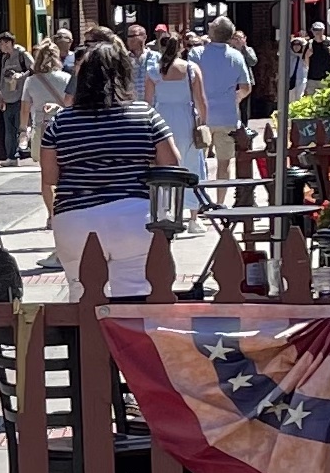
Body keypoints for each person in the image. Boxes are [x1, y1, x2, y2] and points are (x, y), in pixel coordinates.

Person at [40, 38, 180, 298]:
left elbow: (50, 177)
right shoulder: (145, 114)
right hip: (134, 215)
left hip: (74, 216)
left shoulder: (61, 121)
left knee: (83, 295)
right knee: (136, 293)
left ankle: (87, 339)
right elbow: (172, 162)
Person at [193, 16, 258, 199]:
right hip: (227, 115)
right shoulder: (236, 55)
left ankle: (201, 202)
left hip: (202, 115)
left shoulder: (197, 54)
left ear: (212, 31)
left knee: (200, 162)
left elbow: (190, 82)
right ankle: (220, 202)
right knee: (224, 162)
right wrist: (234, 100)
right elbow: (246, 87)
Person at [148, 24, 206, 186]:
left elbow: (148, 103)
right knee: (191, 161)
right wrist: (203, 122)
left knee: (164, 162)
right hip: (186, 116)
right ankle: (193, 206)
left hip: (161, 118)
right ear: (181, 47)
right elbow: (201, 100)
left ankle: (166, 204)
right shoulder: (191, 69)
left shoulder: (154, 71)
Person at [19, 35, 73, 160]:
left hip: (40, 127)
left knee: (44, 166)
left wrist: (23, 130)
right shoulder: (66, 78)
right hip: (63, 127)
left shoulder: (30, 81)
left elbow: (25, 109)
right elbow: (72, 103)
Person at [0, 31, 30, 162]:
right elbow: (2, 78)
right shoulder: (4, 58)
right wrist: (0, 96)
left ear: (9, 43)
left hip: (21, 97)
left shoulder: (22, 55)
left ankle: (22, 151)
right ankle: (11, 156)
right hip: (8, 98)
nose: (0, 47)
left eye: (2, 44)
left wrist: (21, 76)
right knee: (9, 130)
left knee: (21, 127)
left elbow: (34, 69)